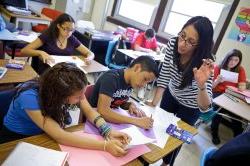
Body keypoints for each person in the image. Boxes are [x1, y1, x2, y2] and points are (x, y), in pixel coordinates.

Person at [0, 62, 130, 157]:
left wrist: (107, 130)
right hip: (17, 139)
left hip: (43, 133)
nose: (82, 99)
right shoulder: (29, 97)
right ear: (60, 95)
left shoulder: (70, 85)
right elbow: (59, 135)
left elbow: (89, 111)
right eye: (79, 97)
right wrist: (105, 146)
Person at [146, 16, 214, 166]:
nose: (182, 44)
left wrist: (201, 85)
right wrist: (154, 102)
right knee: (160, 129)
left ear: (200, 46)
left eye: (191, 41)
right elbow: (164, 75)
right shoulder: (172, 43)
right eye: (182, 35)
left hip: (190, 107)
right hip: (171, 94)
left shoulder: (206, 62)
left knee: (177, 139)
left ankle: (166, 163)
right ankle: (152, 157)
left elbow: (205, 107)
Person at [88, 56, 159, 129]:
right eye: (145, 79)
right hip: (93, 121)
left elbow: (116, 101)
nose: (144, 85)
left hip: (109, 122)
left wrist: (129, 105)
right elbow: (103, 111)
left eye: (148, 82)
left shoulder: (131, 82)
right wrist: (137, 121)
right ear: (137, 68)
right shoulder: (111, 78)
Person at [21, 13, 94, 75]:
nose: (68, 33)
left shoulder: (71, 38)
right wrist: (40, 52)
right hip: (47, 72)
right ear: (58, 26)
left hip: (63, 73)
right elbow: (24, 51)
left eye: (71, 30)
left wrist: (89, 58)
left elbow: (89, 53)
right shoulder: (48, 36)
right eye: (66, 29)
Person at [211, 49, 246, 145]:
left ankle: (238, 139)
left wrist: (241, 86)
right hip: (218, 92)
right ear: (227, 58)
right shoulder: (218, 67)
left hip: (231, 94)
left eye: (236, 60)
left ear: (239, 61)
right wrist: (217, 81)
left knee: (237, 114)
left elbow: (242, 87)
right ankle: (214, 133)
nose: (233, 62)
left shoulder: (240, 69)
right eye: (231, 59)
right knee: (218, 110)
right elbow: (212, 87)